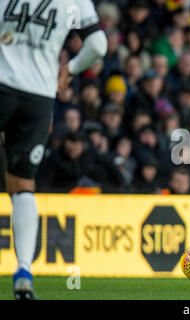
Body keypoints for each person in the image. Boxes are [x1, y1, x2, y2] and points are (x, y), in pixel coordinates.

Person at [0, 0, 107, 300]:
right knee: (22, 185)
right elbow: (98, 44)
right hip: (38, 97)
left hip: (3, 84)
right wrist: (70, 70)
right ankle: (23, 272)